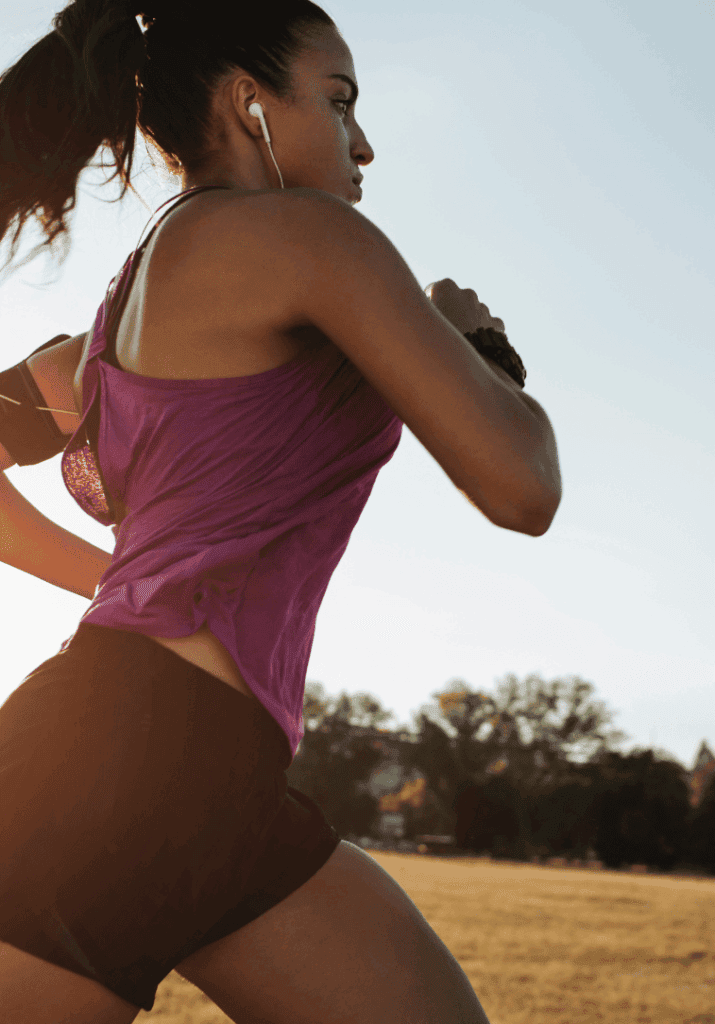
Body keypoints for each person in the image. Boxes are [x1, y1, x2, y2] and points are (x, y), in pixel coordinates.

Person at [0, 0, 562, 1021]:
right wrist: (479, 346)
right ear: (249, 105)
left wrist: (130, 593)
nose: (365, 143)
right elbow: (521, 484)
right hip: (123, 766)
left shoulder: (117, 319)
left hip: (211, 779)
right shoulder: (310, 239)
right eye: (339, 102)